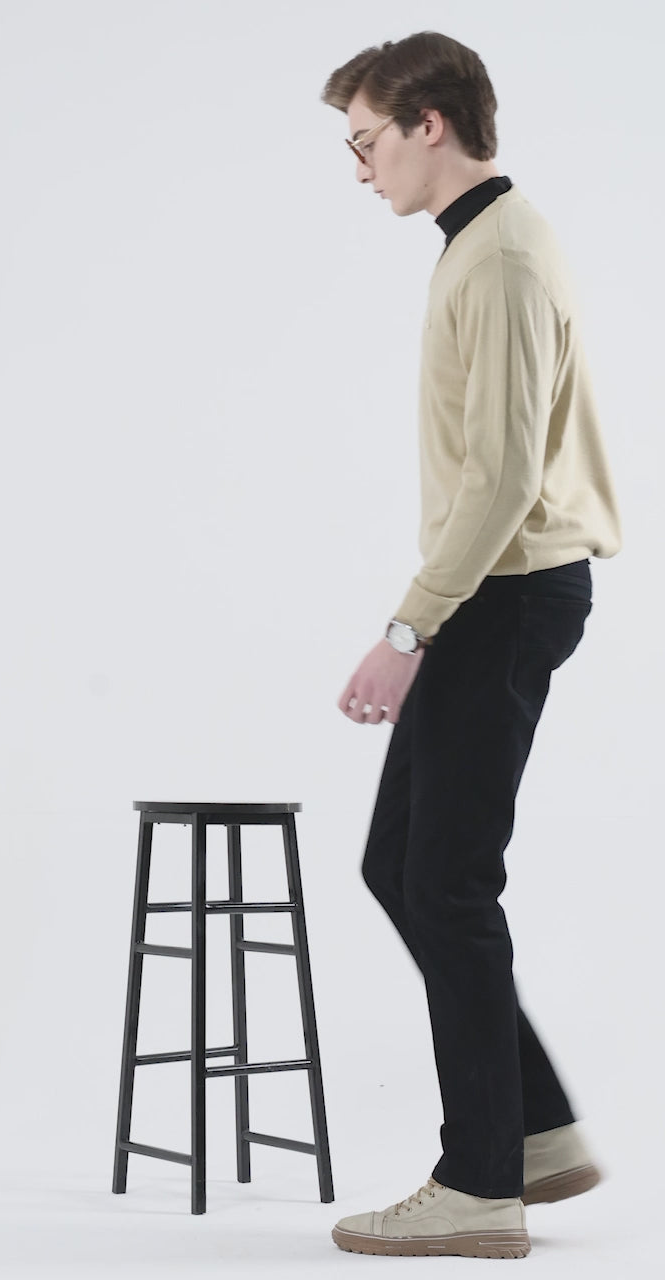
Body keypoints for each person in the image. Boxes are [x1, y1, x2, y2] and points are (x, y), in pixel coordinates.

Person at [321, 31, 622, 1259]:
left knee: (443, 879)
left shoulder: (497, 257)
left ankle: (480, 1184)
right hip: (497, 589)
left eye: (367, 142)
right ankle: (535, 1129)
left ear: (428, 123)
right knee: (403, 862)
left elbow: (500, 478)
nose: (360, 169)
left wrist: (408, 628)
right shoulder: (483, 244)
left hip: (505, 591)